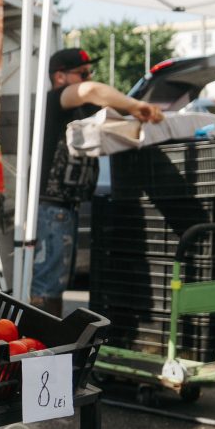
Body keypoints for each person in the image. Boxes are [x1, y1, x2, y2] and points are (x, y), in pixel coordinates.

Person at [32, 46, 163, 314]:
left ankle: (47, 343)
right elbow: (91, 91)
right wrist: (136, 104)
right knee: (47, 285)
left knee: (54, 283)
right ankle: (41, 346)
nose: (89, 77)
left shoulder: (79, 108)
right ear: (60, 77)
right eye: (82, 73)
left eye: (89, 72)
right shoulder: (56, 99)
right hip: (52, 207)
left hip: (64, 207)